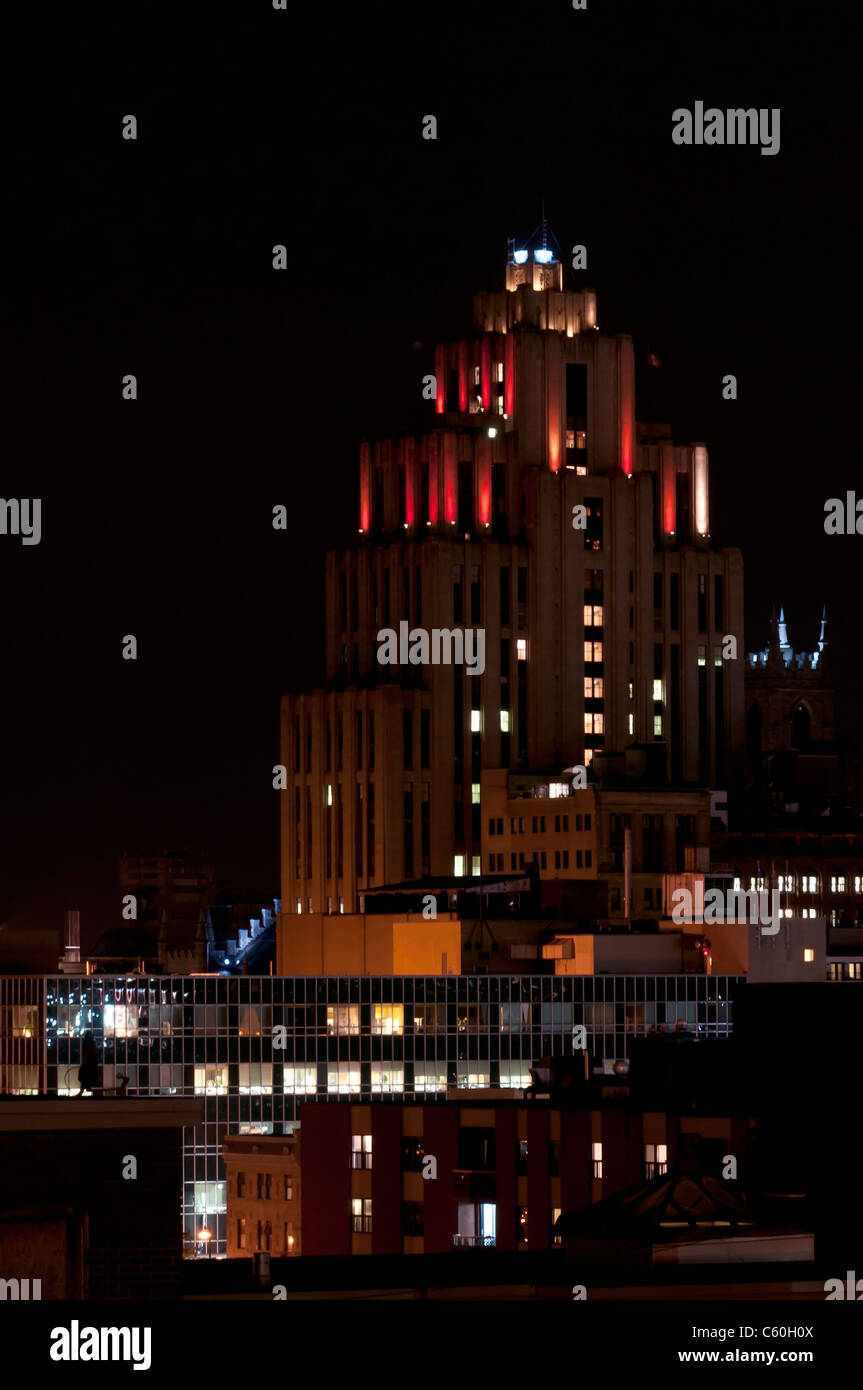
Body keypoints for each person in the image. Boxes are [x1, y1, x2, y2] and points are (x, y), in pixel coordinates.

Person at [76, 1029, 101, 1096]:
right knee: (85, 1077)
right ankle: (84, 1089)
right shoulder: (92, 1044)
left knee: (84, 1077)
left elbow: (87, 1054)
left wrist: (86, 1062)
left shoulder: (88, 1044)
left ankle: (83, 1090)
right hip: (91, 1064)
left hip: (88, 1064)